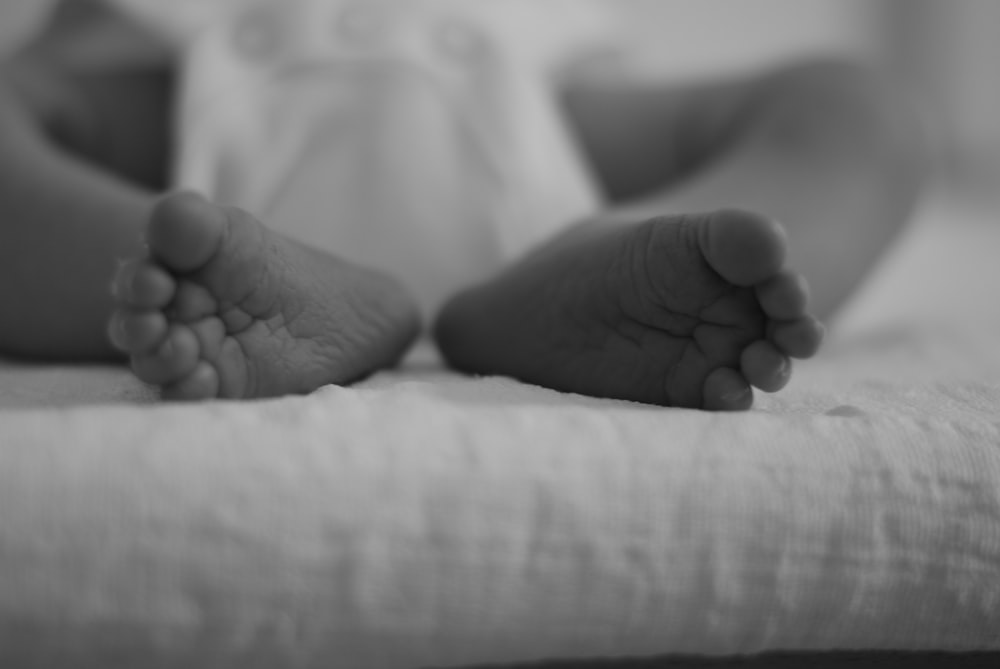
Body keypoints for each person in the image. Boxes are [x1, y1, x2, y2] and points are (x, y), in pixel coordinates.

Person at [0, 0, 923, 409]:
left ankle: (612, 261)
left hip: (516, 104)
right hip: (173, 110)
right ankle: (209, 281)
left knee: (858, 108)